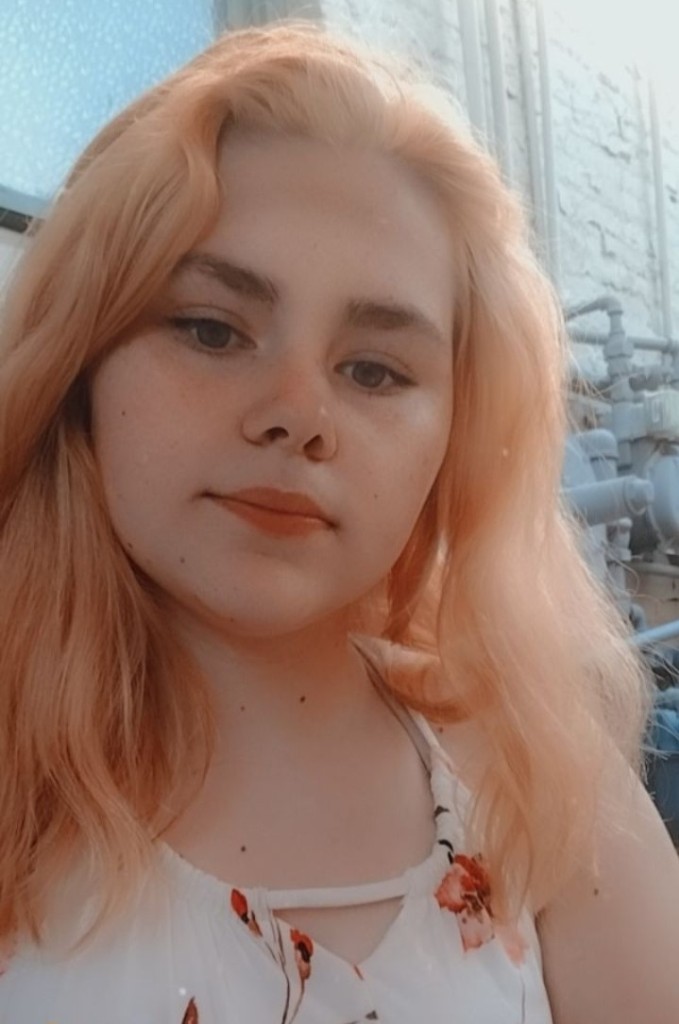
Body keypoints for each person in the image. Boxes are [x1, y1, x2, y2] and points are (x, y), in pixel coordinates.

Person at [0, 22, 677, 1024]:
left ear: (454, 433)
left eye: (373, 370)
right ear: (81, 362)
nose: (296, 414)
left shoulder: (542, 787)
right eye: (211, 329)